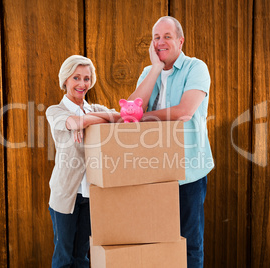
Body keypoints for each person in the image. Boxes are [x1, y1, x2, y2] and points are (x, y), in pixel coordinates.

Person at [128, 16, 214, 268]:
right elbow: (130, 109)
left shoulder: (195, 68)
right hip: (153, 170)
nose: (161, 42)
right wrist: (155, 69)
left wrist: (143, 118)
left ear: (180, 40)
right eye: (156, 37)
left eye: (167, 36)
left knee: (189, 242)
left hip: (187, 170)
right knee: (155, 241)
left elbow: (184, 111)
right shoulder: (148, 72)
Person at [46, 55, 120, 268]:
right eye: (76, 77)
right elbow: (74, 121)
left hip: (91, 194)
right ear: (65, 80)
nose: (82, 84)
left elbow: (121, 118)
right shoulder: (55, 111)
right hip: (66, 195)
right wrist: (87, 120)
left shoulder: (94, 108)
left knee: (82, 257)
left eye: (86, 78)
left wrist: (87, 119)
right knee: (64, 257)